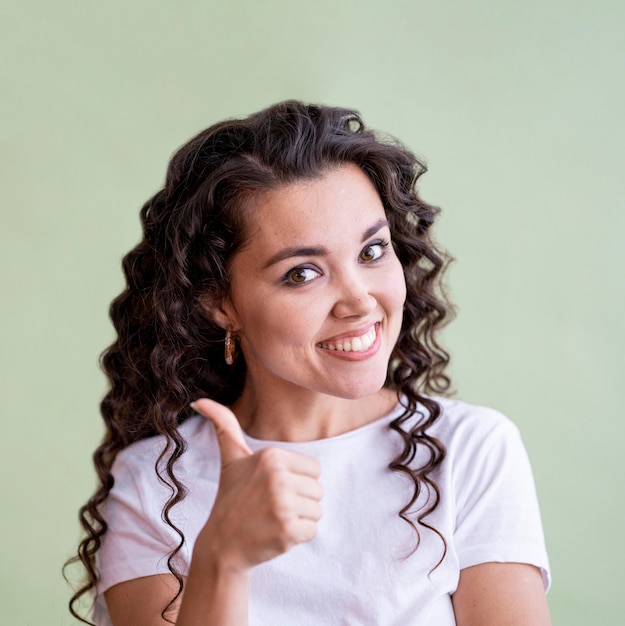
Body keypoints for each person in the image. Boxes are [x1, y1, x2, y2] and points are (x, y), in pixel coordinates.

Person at [67, 100, 551, 626]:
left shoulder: (470, 452)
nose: (360, 301)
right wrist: (221, 557)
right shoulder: (152, 484)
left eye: (371, 252)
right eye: (302, 273)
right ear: (220, 303)